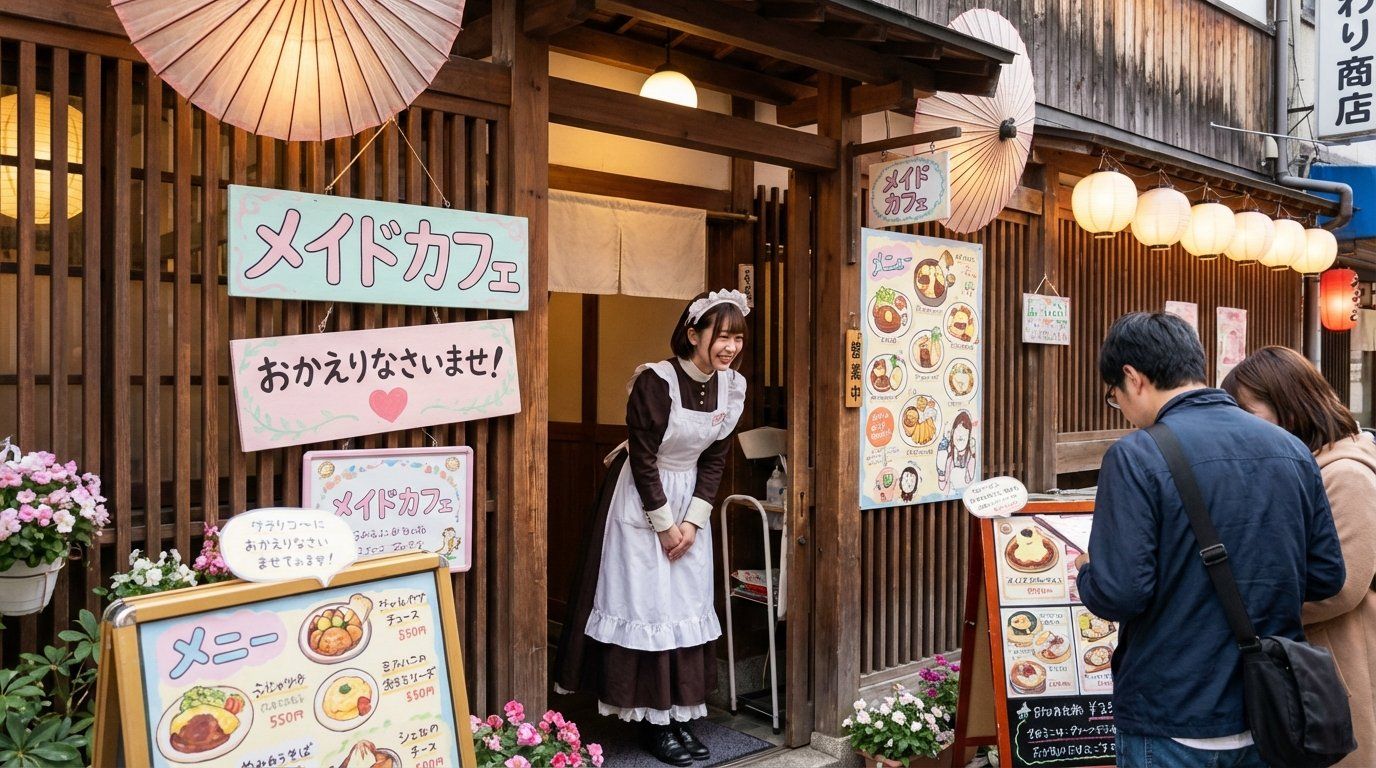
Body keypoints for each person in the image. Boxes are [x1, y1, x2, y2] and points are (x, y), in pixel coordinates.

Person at [1074, 312, 1345, 768]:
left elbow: (1120, 592)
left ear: (1132, 377)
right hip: (1269, 711)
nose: (1120, 408)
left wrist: (1086, 574)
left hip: (1171, 711)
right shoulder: (1291, 449)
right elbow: (1325, 576)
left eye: (1113, 397)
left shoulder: (1135, 456)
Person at [554, 290, 749, 767]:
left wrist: (693, 522)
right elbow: (642, 459)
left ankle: (682, 718)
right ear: (693, 334)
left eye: (737, 338)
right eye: (721, 336)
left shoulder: (732, 387)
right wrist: (664, 525)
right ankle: (651, 724)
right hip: (644, 500)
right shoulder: (655, 381)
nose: (730, 347)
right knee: (645, 603)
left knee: (684, 604)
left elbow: (715, 458)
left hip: (689, 508)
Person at [1222, 345, 1376, 767]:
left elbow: (1343, 587)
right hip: (1305, 665)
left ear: (1290, 408)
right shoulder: (1305, 465)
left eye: (1246, 414)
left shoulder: (1345, 473)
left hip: (1337, 669)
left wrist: (1243, 612)